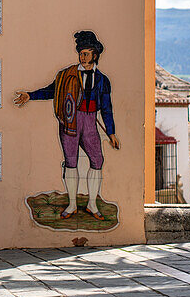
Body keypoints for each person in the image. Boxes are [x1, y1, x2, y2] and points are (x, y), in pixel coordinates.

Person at [13, 30, 120, 220]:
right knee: (71, 162)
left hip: (90, 122)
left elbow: (107, 109)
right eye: (81, 53)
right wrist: (30, 95)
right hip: (69, 121)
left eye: (87, 53)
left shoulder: (103, 80)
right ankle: (71, 205)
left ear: (95, 55)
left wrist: (111, 133)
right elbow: (51, 91)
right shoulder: (66, 75)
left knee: (97, 161)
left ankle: (92, 205)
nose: (83, 56)